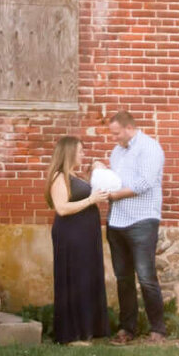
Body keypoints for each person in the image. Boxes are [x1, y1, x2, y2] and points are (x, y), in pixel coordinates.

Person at [103, 108, 166, 343]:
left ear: (130, 128)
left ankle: (157, 329)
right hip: (117, 221)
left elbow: (145, 182)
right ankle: (127, 329)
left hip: (142, 221)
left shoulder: (150, 148)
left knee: (146, 276)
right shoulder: (117, 152)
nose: (114, 138)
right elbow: (115, 181)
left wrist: (116, 195)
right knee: (123, 278)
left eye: (117, 133)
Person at [45, 135, 110, 345]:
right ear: (69, 152)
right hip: (71, 235)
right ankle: (70, 335)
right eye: (80, 151)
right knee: (74, 280)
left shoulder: (74, 176)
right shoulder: (58, 176)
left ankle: (86, 330)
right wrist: (91, 199)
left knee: (85, 280)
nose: (83, 154)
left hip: (84, 235)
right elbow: (62, 208)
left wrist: (96, 173)